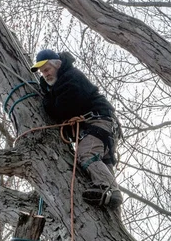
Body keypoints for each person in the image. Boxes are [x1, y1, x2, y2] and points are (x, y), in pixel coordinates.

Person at [30, 49, 123, 208]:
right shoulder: (62, 82)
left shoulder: (70, 78)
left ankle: (108, 189)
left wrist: (47, 98)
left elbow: (62, 109)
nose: (45, 74)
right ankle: (109, 198)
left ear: (57, 65)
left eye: (47, 69)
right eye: (42, 72)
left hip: (98, 122)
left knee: (87, 154)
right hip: (102, 126)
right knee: (101, 162)